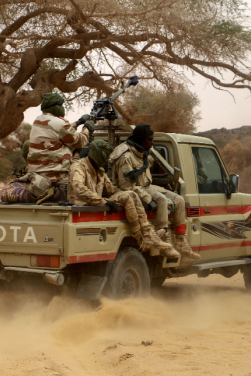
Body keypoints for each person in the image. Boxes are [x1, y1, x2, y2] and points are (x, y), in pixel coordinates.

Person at [68, 140, 179, 258]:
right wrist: (105, 202)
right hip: (84, 204)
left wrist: (135, 199)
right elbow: (79, 189)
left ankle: (147, 234)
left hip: (96, 202)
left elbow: (111, 189)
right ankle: (141, 238)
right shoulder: (79, 167)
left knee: (130, 194)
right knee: (127, 195)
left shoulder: (98, 170)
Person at [110, 124, 200, 260]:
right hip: (133, 189)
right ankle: (164, 240)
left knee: (179, 200)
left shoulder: (143, 153)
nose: (152, 142)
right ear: (141, 140)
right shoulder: (126, 157)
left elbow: (148, 170)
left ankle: (181, 242)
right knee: (161, 200)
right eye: (150, 139)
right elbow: (127, 187)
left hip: (146, 186)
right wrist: (147, 198)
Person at [26, 92, 94, 186]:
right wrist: (87, 128)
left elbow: (58, 130)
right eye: (61, 105)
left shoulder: (38, 121)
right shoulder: (60, 123)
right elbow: (80, 142)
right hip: (57, 176)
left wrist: (79, 122)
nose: (62, 108)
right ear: (54, 106)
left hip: (37, 174)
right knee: (91, 180)